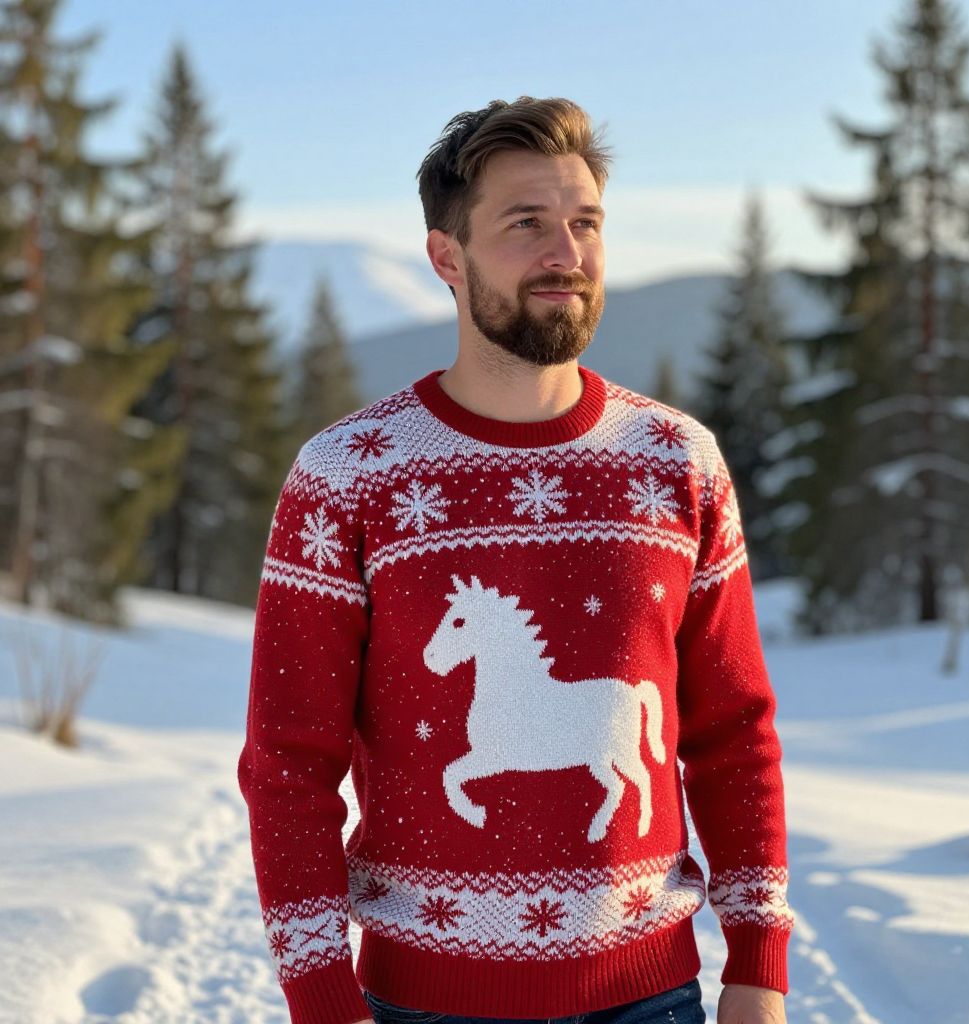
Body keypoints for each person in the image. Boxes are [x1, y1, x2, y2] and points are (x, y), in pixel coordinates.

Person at [237, 96, 792, 1024]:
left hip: (652, 1000)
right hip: (424, 1005)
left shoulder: (676, 461)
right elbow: (287, 761)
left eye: (585, 222)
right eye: (526, 223)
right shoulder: (349, 475)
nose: (566, 253)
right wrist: (321, 998)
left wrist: (759, 964)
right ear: (446, 258)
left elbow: (733, 730)